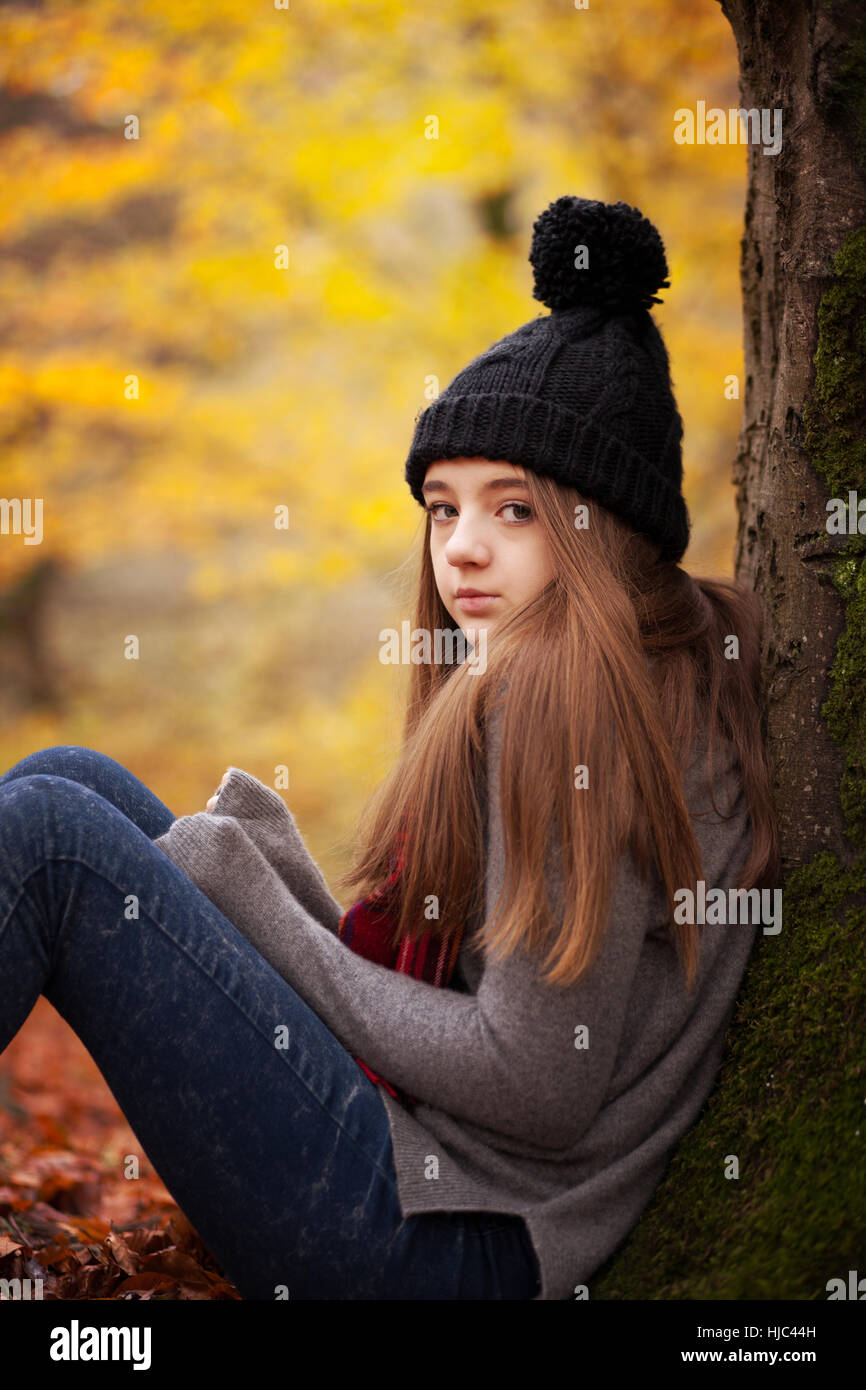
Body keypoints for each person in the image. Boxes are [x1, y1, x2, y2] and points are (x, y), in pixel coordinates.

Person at [0, 194, 779, 1300]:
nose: (460, 548)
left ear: (603, 527)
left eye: (515, 511)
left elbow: (534, 1084)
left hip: (443, 1243)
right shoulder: (655, 664)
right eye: (441, 505)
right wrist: (286, 900)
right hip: (446, 1191)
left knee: (51, 836)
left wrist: (274, 922)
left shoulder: (570, 709)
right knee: (70, 781)